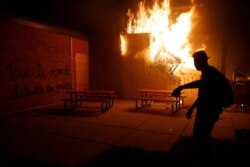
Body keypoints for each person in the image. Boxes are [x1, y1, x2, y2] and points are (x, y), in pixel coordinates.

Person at [172, 50, 231, 165]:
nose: (194, 64)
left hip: (210, 111)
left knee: (201, 135)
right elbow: (203, 95)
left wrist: (181, 87)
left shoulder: (210, 73)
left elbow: (200, 84)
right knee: (202, 135)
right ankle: (205, 158)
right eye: (194, 61)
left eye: (196, 61)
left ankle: (204, 159)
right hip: (206, 109)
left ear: (203, 60)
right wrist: (192, 108)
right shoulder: (207, 73)